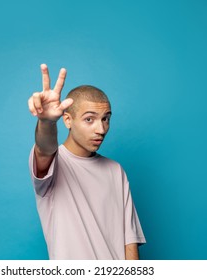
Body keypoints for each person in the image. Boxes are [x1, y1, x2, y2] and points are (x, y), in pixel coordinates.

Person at [28, 64, 146, 260]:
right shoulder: (54, 164)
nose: (101, 129)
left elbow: (129, 241)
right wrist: (47, 122)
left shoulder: (115, 170)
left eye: (106, 119)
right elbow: (44, 148)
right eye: (90, 119)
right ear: (67, 120)